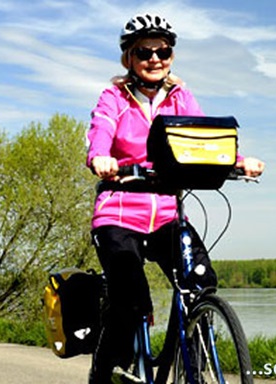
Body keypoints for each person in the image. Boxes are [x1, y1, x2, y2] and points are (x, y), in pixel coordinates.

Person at [85, 13, 265, 384]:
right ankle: (107, 371)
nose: (155, 59)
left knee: (201, 281)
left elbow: (203, 138)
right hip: (120, 212)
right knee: (129, 295)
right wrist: (100, 157)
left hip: (168, 213)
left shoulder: (181, 96)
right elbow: (100, 129)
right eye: (144, 52)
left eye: (163, 51)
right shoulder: (114, 97)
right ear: (129, 58)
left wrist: (237, 161)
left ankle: (193, 373)